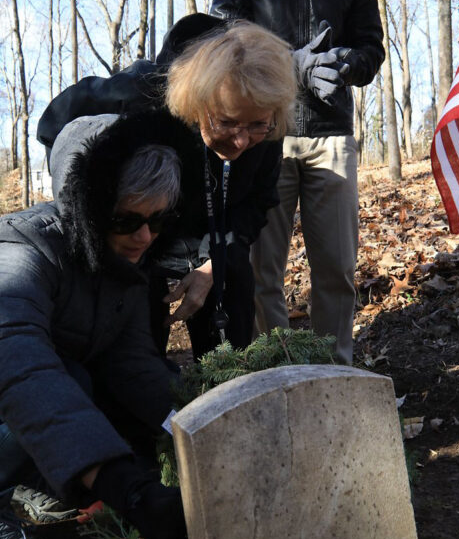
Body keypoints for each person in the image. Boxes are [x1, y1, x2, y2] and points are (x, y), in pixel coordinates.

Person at [210, 0, 385, 365]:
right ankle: (279, 372)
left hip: (331, 136)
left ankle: (335, 375)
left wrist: (342, 65)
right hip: (263, 136)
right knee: (264, 270)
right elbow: (222, 38)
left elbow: (372, 49)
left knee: (336, 268)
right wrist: (291, 64)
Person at [0, 112, 188, 539]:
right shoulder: (22, 251)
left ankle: (28, 480)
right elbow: (24, 370)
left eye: (157, 220)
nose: (144, 237)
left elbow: (133, 366)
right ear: (89, 205)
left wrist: (192, 423)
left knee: (85, 381)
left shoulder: (117, 261)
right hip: (11, 384)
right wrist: (127, 489)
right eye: (127, 219)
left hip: (30, 397)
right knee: (65, 382)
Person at [37, 18, 297, 359]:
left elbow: (255, 204)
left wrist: (212, 265)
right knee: (139, 349)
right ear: (198, 102)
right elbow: (54, 123)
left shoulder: (265, 126)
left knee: (231, 318)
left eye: (256, 126)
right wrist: (90, 215)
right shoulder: (138, 95)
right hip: (143, 239)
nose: (241, 139)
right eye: (227, 122)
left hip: (213, 240)